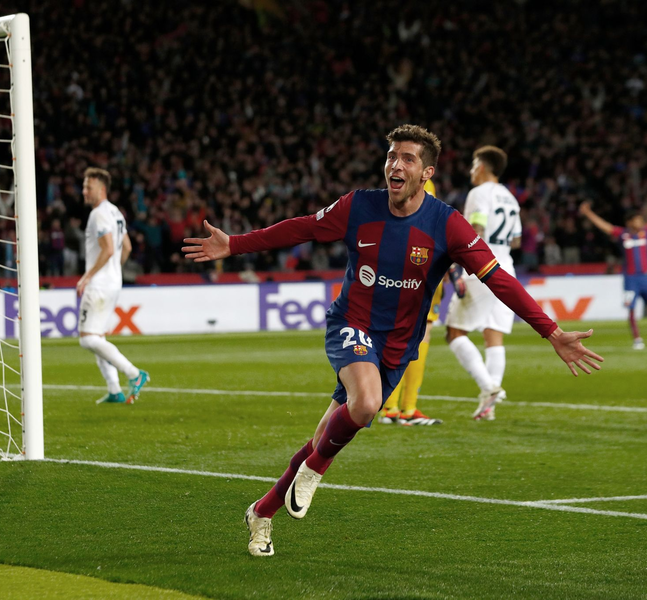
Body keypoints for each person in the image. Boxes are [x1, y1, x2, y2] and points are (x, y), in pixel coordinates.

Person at [183, 124, 603, 558]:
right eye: (391, 156)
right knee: (363, 407)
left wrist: (551, 331)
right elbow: (302, 229)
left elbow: (499, 279)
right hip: (352, 324)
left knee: (327, 432)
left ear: (427, 173)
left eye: (407, 159)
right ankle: (315, 470)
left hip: (398, 346)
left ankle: (262, 512)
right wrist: (234, 244)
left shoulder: (447, 225)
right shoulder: (358, 206)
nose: (395, 165)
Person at [444, 146, 522, 420]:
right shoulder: (511, 198)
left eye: (474, 164)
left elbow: (475, 230)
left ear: (484, 167)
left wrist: (457, 265)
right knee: (493, 334)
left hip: (483, 267)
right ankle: (488, 407)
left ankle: (488, 387)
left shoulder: (479, 194)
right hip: (507, 267)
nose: (471, 170)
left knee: (454, 332)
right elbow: (516, 241)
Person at [77, 167, 149, 404]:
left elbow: (109, 248)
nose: (84, 191)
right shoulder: (116, 212)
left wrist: (88, 276)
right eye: (84, 186)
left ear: (101, 188)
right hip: (113, 282)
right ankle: (114, 390)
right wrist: (113, 271)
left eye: (89, 187)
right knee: (98, 337)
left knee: (87, 338)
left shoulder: (98, 214)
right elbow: (125, 247)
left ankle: (134, 373)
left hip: (99, 285)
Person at [378, 179, 444, 426]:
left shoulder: (398, 185)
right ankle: (398, 407)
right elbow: (426, 228)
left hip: (411, 269)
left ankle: (398, 408)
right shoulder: (424, 186)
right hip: (418, 270)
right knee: (412, 335)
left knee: (411, 335)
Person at [579, 202, 647, 350]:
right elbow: (604, 226)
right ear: (629, 222)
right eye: (637, 220)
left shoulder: (646, 232)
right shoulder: (623, 234)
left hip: (645, 277)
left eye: (641, 220)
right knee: (631, 309)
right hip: (630, 280)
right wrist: (588, 213)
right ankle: (637, 339)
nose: (640, 222)